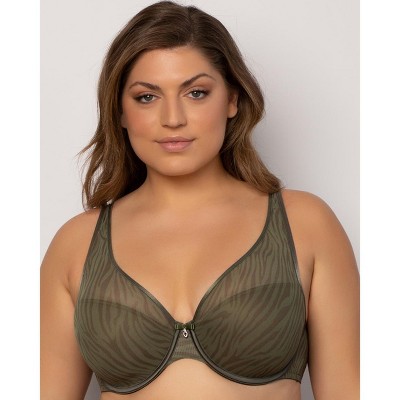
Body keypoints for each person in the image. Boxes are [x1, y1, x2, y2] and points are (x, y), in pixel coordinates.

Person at [40, 1, 359, 399]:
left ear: (232, 100)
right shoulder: (76, 245)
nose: (173, 118)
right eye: (146, 97)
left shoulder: (305, 224)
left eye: (196, 92)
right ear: (119, 111)